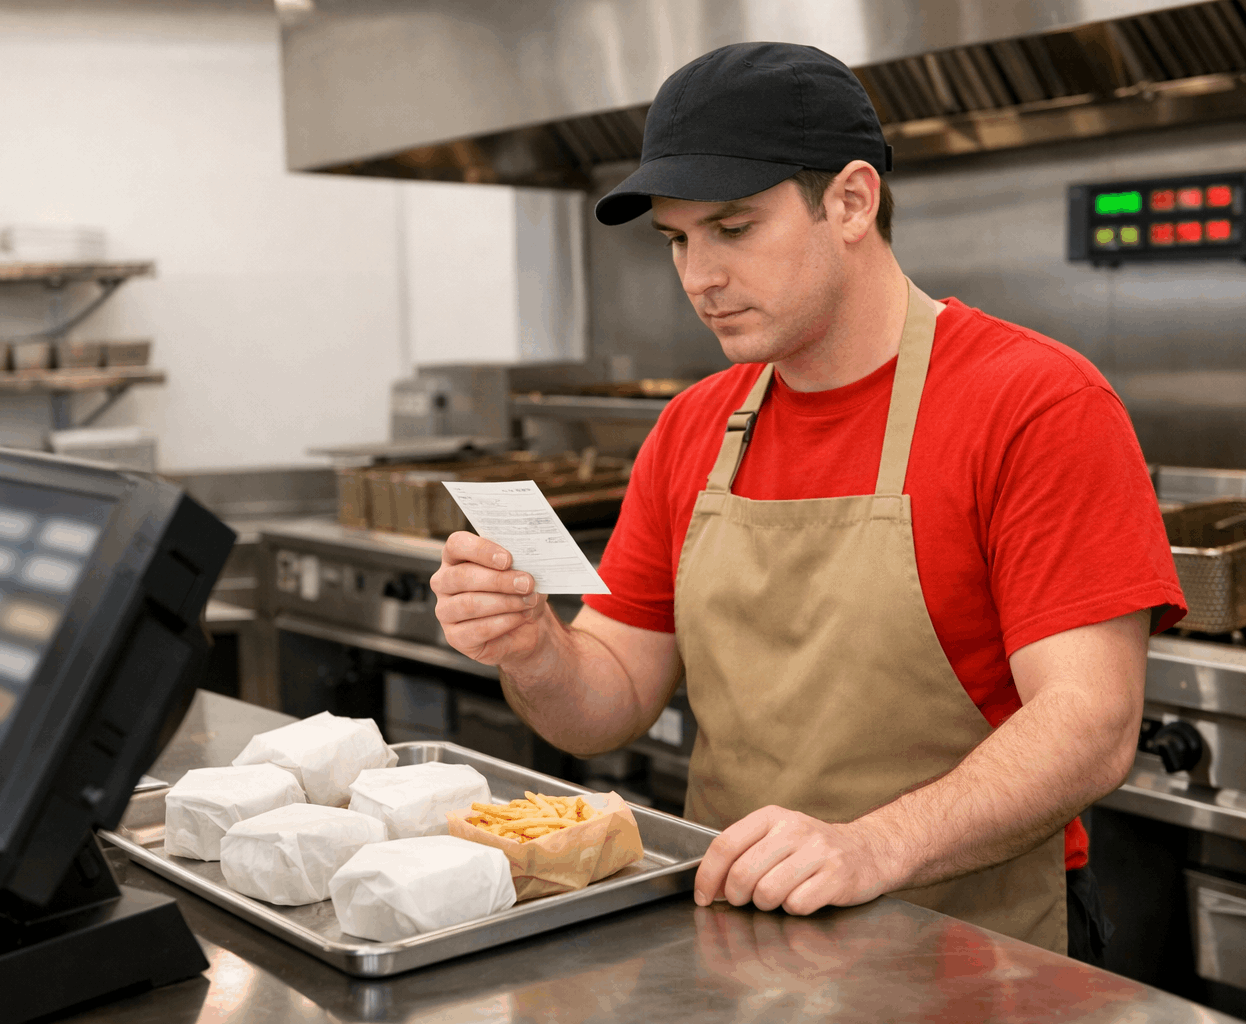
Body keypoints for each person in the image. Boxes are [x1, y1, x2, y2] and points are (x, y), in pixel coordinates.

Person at [430, 41, 1184, 961]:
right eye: (678, 239)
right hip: (743, 938)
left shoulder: (1036, 403)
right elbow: (611, 700)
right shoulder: (694, 427)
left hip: (979, 954)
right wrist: (535, 648)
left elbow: (1091, 724)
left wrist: (871, 846)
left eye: (733, 229)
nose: (698, 277)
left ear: (852, 202)